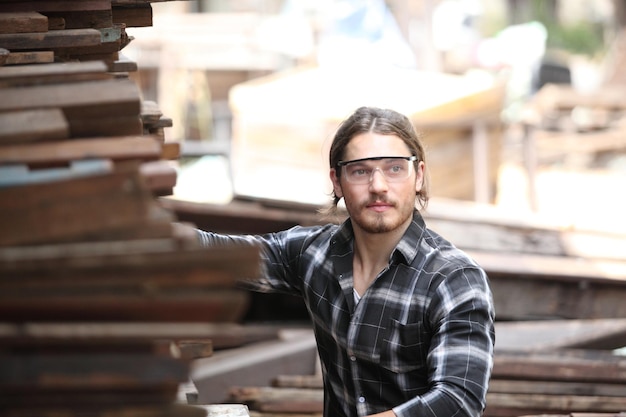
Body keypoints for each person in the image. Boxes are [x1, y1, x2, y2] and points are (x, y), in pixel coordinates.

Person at [197, 106, 496, 417]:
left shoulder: (455, 280)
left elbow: (459, 401)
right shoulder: (315, 255)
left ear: (418, 176)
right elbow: (222, 253)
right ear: (337, 182)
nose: (378, 186)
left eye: (395, 168)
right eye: (360, 170)